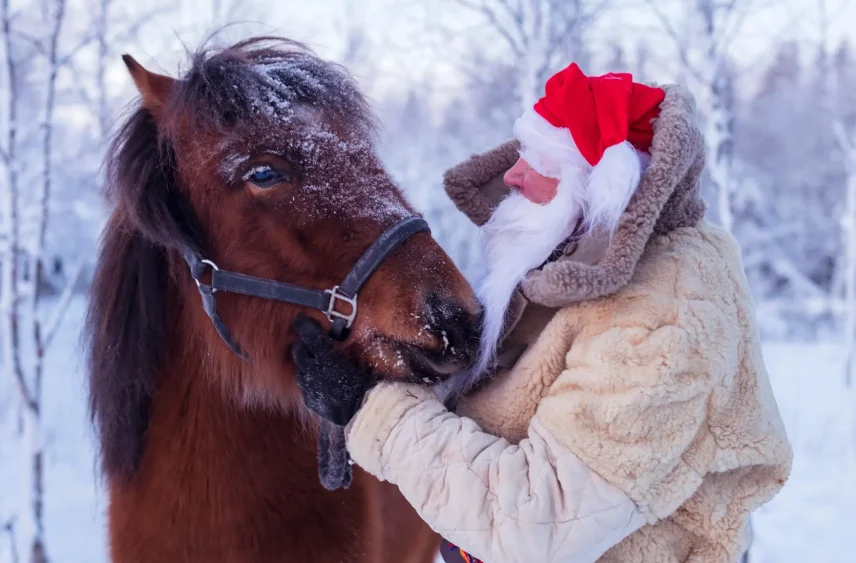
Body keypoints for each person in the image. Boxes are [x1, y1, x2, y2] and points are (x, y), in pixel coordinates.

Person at [290, 64, 793, 563]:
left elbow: (537, 527)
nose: (512, 175)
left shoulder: (663, 318)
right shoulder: (570, 268)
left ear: (603, 184)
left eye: (539, 161)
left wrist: (371, 409)